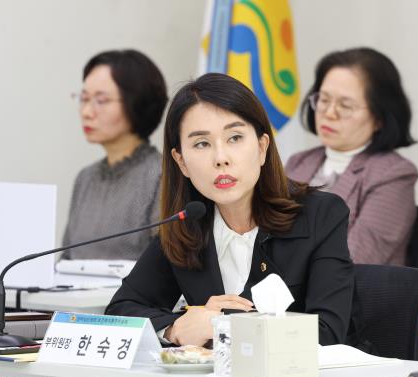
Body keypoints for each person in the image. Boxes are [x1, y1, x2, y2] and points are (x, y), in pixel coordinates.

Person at [106, 73, 361, 347]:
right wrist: (174, 328)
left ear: (262, 147)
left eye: (235, 138)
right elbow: (121, 310)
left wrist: (222, 324)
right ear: (181, 162)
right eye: (202, 144)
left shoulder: (320, 215)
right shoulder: (187, 223)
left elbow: (327, 333)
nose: (221, 158)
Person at [286, 47, 418, 266]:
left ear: (379, 118)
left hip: (347, 288)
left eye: (345, 106)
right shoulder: (299, 163)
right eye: (324, 100)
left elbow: (353, 258)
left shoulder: (393, 175)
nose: (329, 113)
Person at [61, 50, 167, 260]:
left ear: (137, 103)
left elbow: (165, 264)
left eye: (101, 100)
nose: (86, 112)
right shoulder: (86, 178)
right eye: (84, 98)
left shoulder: (161, 175)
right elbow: (66, 257)